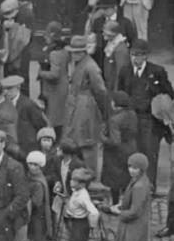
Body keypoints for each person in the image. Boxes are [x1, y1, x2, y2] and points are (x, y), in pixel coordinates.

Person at [117, 39, 174, 192]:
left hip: (150, 119)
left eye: (140, 55)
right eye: (133, 55)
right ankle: (131, 185)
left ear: (146, 56)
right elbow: (119, 93)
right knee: (131, 150)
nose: (136, 59)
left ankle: (149, 185)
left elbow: (169, 93)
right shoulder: (125, 71)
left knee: (149, 151)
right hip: (131, 117)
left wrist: (158, 103)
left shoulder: (157, 72)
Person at [64, 35, 108, 173]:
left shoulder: (91, 66)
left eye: (78, 52)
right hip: (76, 105)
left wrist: (104, 111)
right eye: (73, 52)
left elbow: (101, 90)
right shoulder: (79, 64)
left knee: (86, 142)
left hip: (86, 107)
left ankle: (90, 174)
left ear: (84, 51)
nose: (75, 55)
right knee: (75, 140)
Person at [62, 167, 100, 241]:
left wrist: (93, 227)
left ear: (82, 184)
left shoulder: (82, 196)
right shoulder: (78, 191)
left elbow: (94, 212)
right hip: (77, 222)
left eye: (74, 181)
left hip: (79, 224)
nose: (71, 182)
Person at [101, 91, 139, 205]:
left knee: (115, 181)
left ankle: (115, 204)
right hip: (131, 148)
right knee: (127, 178)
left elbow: (115, 141)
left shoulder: (115, 119)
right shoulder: (132, 114)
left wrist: (102, 137)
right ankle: (127, 203)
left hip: (116, 154)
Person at [2, 75, 47, 159]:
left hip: (27, 148)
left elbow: (41, 124)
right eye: (5, 89)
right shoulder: (4, 105)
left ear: (18, 88)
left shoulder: (28, 104)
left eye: (9, 89)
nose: (6, 92)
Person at [38, 23, 70, 138]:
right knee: (59, 117)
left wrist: (41, 73)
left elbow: (54, 74)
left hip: (55, 90)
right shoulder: (64, 51)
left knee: (53, 118)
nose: (45, 38)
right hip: (61, 87)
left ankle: (55, 141)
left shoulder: (54, 54)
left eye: (47, 36)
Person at [24, 151, 52, 241]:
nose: (32, 167)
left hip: (37, 218)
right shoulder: (30, 177)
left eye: (35, 164)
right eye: (30, 164)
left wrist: (25, 197)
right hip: (32, 217)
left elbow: (37, 202)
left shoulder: (38, 183)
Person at [0, 0, 32, 90]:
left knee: (22, 79)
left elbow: (25, 38)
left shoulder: (25, 16)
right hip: (11, 54)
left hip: (21, 54)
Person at [102, 20, 131, 92]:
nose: (103, 34)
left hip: (115, 89)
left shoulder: (120, 49)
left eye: (105, 32)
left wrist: (116, 94)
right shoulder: (111, 44)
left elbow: (120, 74)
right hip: (110, 85)